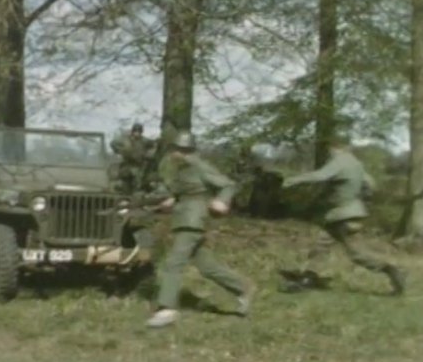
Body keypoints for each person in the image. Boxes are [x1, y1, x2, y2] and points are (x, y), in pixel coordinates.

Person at [146, 131, 256, 328]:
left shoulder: (198, 165)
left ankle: (167, 309)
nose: (174, 154)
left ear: (184, 150)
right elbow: (188, 192)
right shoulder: (183, 168)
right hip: (185, 218)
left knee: (174, 262)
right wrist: (169, 202)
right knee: (206, 266)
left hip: (193, 220)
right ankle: (242, 289)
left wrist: (221, 201)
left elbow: (228, 184)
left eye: (177, 150)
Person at [281, 135, 406, 295]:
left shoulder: (340, 161)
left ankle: (391, 269)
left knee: (357, 254)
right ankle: (308, 278)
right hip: (346, 213)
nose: (329, 153)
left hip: (343, 216)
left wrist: (291, 180)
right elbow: (371, 183)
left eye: (330, 150)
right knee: (321, 246)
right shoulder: (356, 163)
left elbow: (320, 176)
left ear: (335, 148)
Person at [110, 123, 157, 193]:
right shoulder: (126, 140)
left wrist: (148, 154)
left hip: (139, 165)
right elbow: (113, 143)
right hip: (127, 164)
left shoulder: (144, 141)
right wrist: (119, 150)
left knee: (138, 182)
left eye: (139, 132)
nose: (137, 133)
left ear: (141, 132)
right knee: (124, 182)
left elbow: (154, 145)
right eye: (135, 131)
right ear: (133, 131)